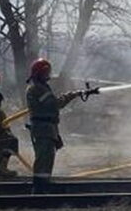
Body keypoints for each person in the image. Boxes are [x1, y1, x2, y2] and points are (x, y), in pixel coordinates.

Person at [25, 58, 78, 191]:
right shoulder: (36, 88)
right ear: (38, 73)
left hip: (48, 128)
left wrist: (72, 95)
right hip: (42, 128)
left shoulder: (42, 87)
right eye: (45, 72)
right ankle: (38, 189)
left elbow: (53, 107)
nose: (47, 75)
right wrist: (71, 96)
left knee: (48, 158)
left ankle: (44, 185)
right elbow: (55, 104)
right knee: (43, 159)